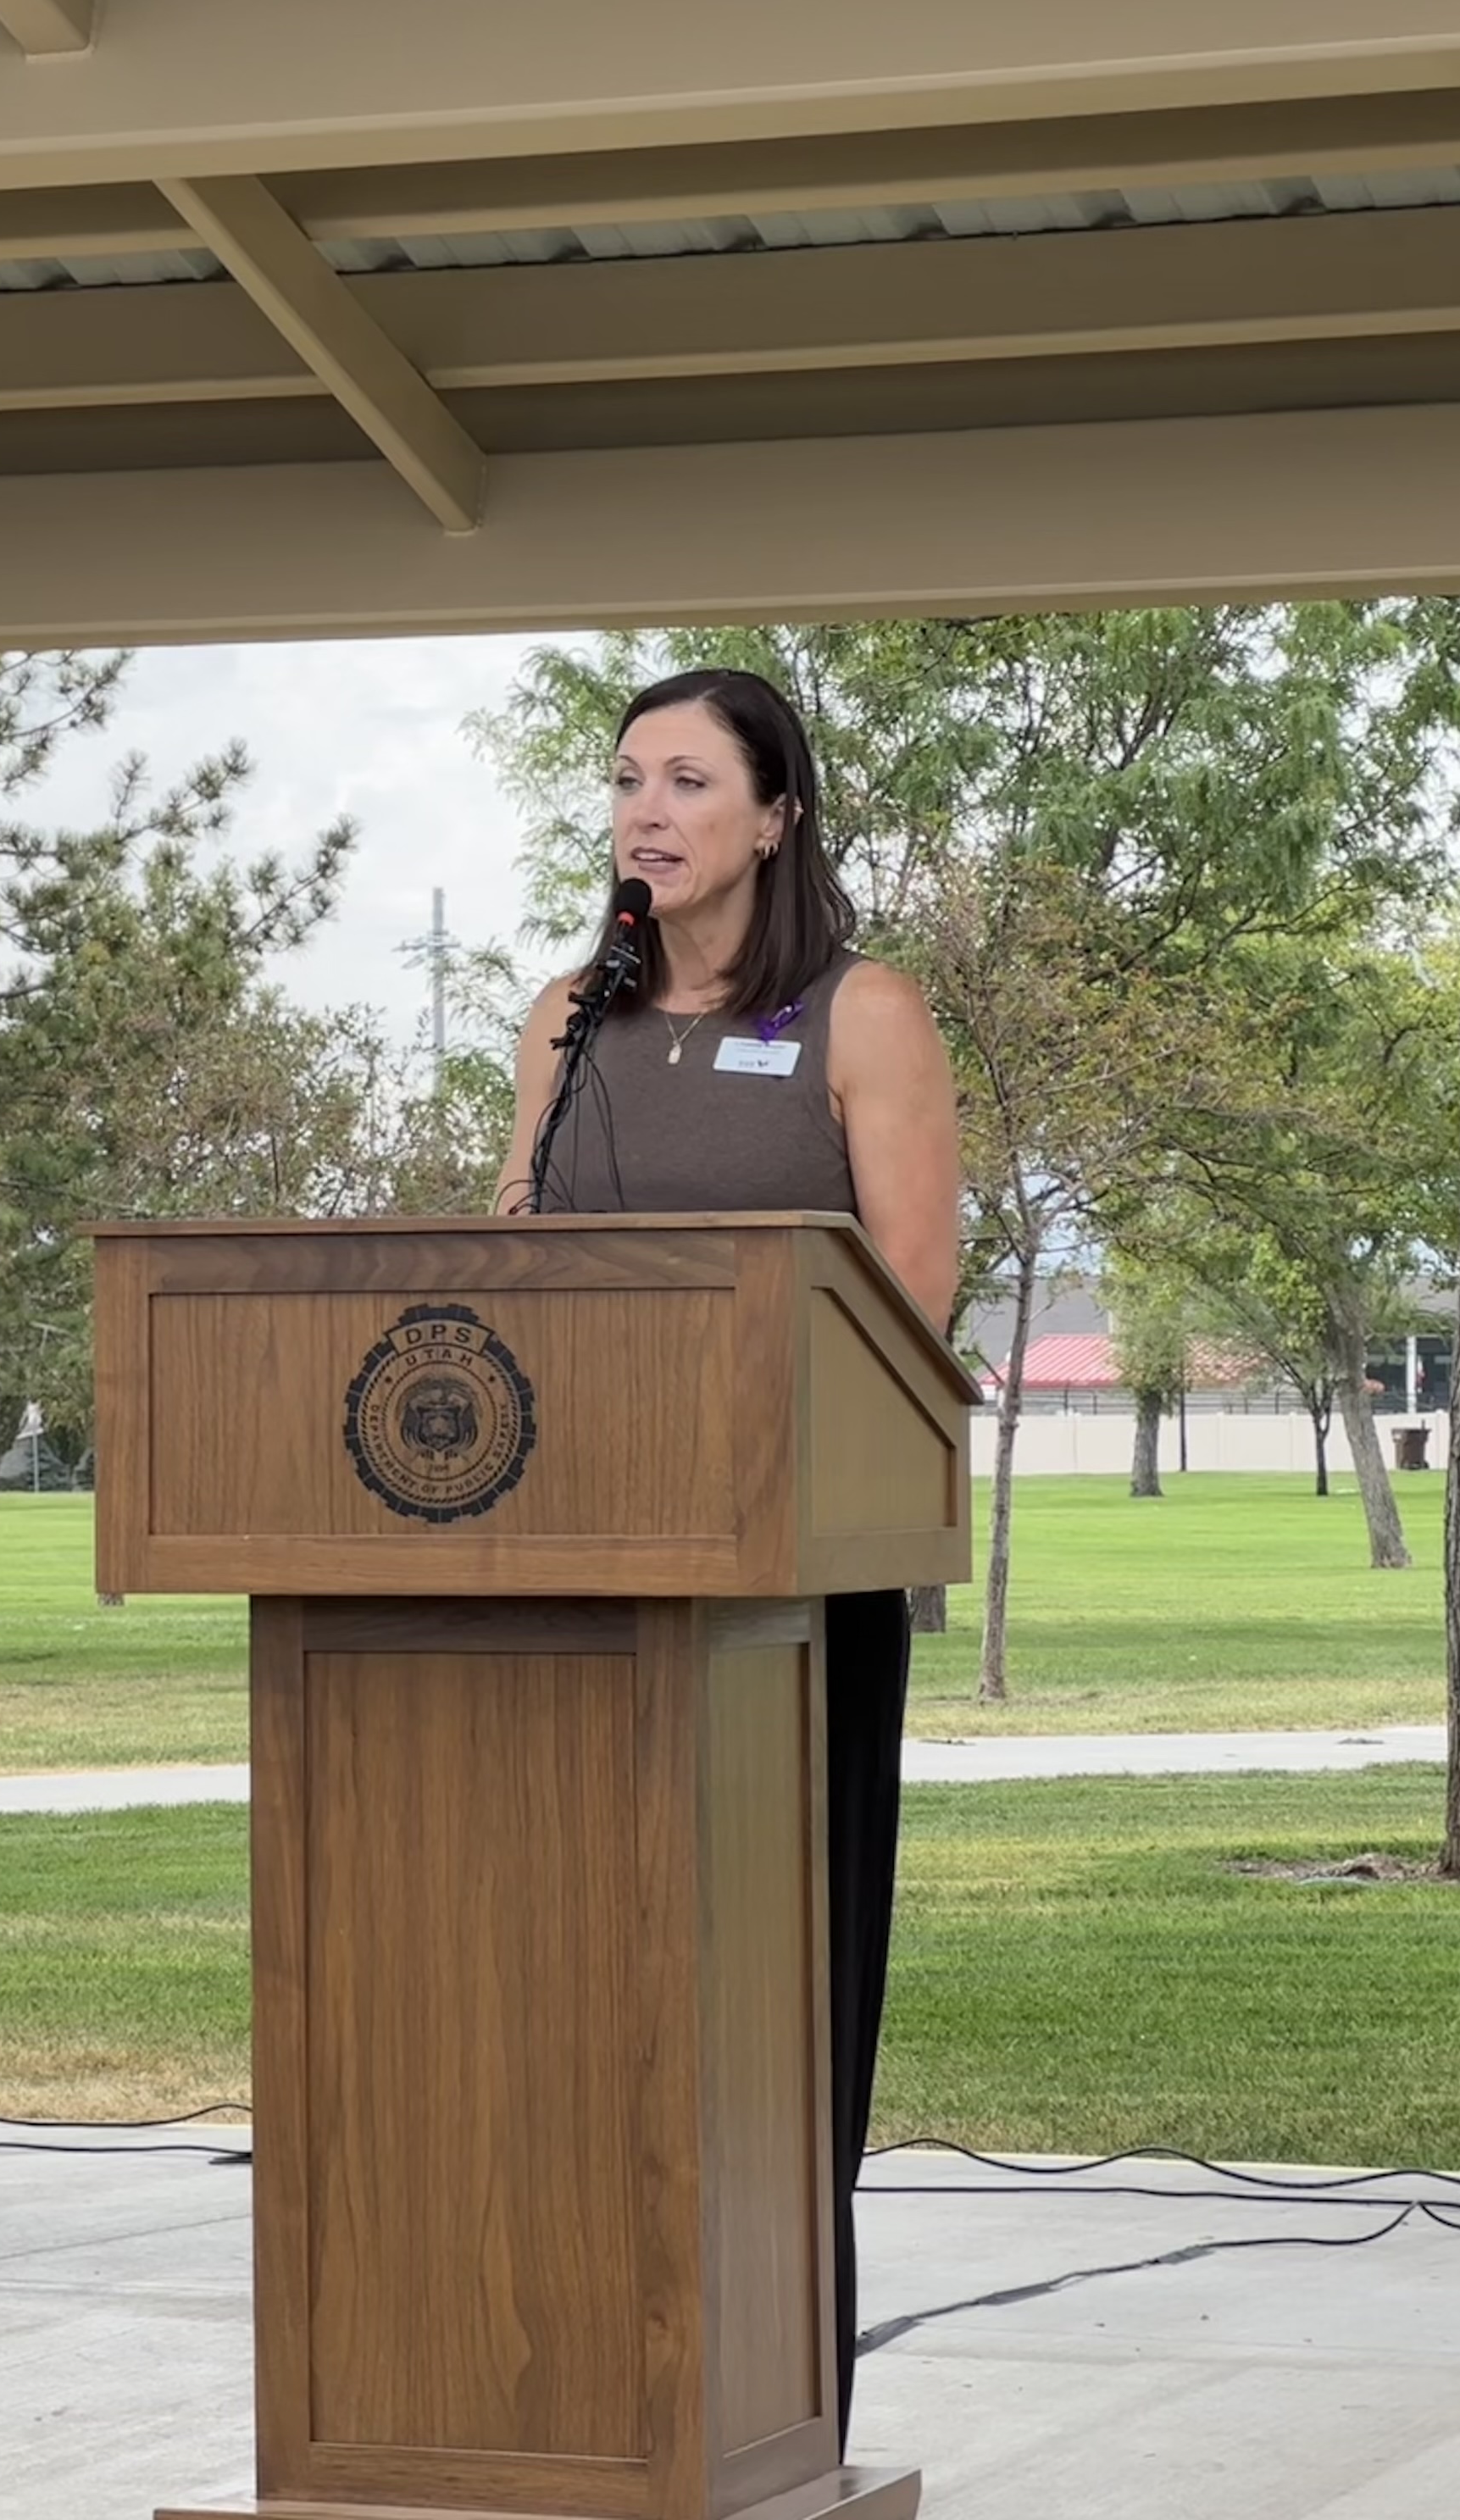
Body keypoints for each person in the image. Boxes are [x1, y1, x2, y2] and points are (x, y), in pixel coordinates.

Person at [497, 666, 961, 2448]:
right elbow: (515, 1288)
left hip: (798, 1598)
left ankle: (777, 2424)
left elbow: (909, 1311)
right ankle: (573, 2392)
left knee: (773, 2018)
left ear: (776, 813)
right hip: (583, 1587)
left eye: (688, 780)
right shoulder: (565, 1021)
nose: (646, 811)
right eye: (626, 781)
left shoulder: (861, 1014)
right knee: (580, 2007)